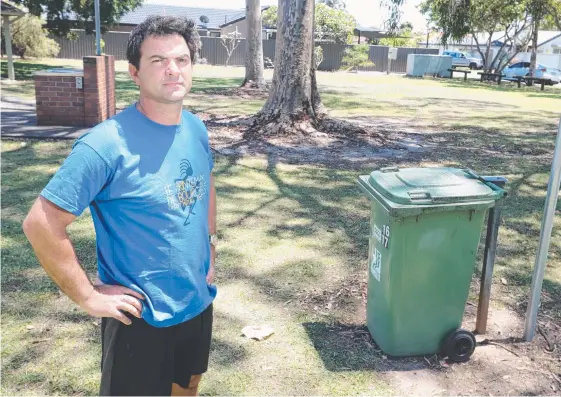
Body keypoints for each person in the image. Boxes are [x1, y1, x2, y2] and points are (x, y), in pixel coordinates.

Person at [22, 15, 217, 396]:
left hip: (196, 300)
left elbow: (205, 183)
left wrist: (211, 241)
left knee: (188, 385)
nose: (173, 70)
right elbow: (41, 223)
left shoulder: (195, 128)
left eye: (182, 60)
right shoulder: (105, 144)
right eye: (158, 61)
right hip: (139, 315)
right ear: (134, 72)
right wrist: (88, 296)